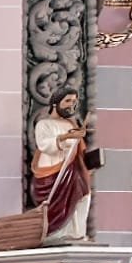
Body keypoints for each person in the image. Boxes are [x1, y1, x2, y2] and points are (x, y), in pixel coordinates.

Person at [31, 89, 93, 243]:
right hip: (53, 172)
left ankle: (76, 233)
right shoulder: (43, 124)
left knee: (83, 196)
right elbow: (44, 145)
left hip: (74, 170)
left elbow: (80, 149)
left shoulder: (71, 124)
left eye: (74, 102)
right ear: (55, 103)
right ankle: (56, 234)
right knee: (55, 204)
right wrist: (68, 136)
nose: (71, 105)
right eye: (67, 101)